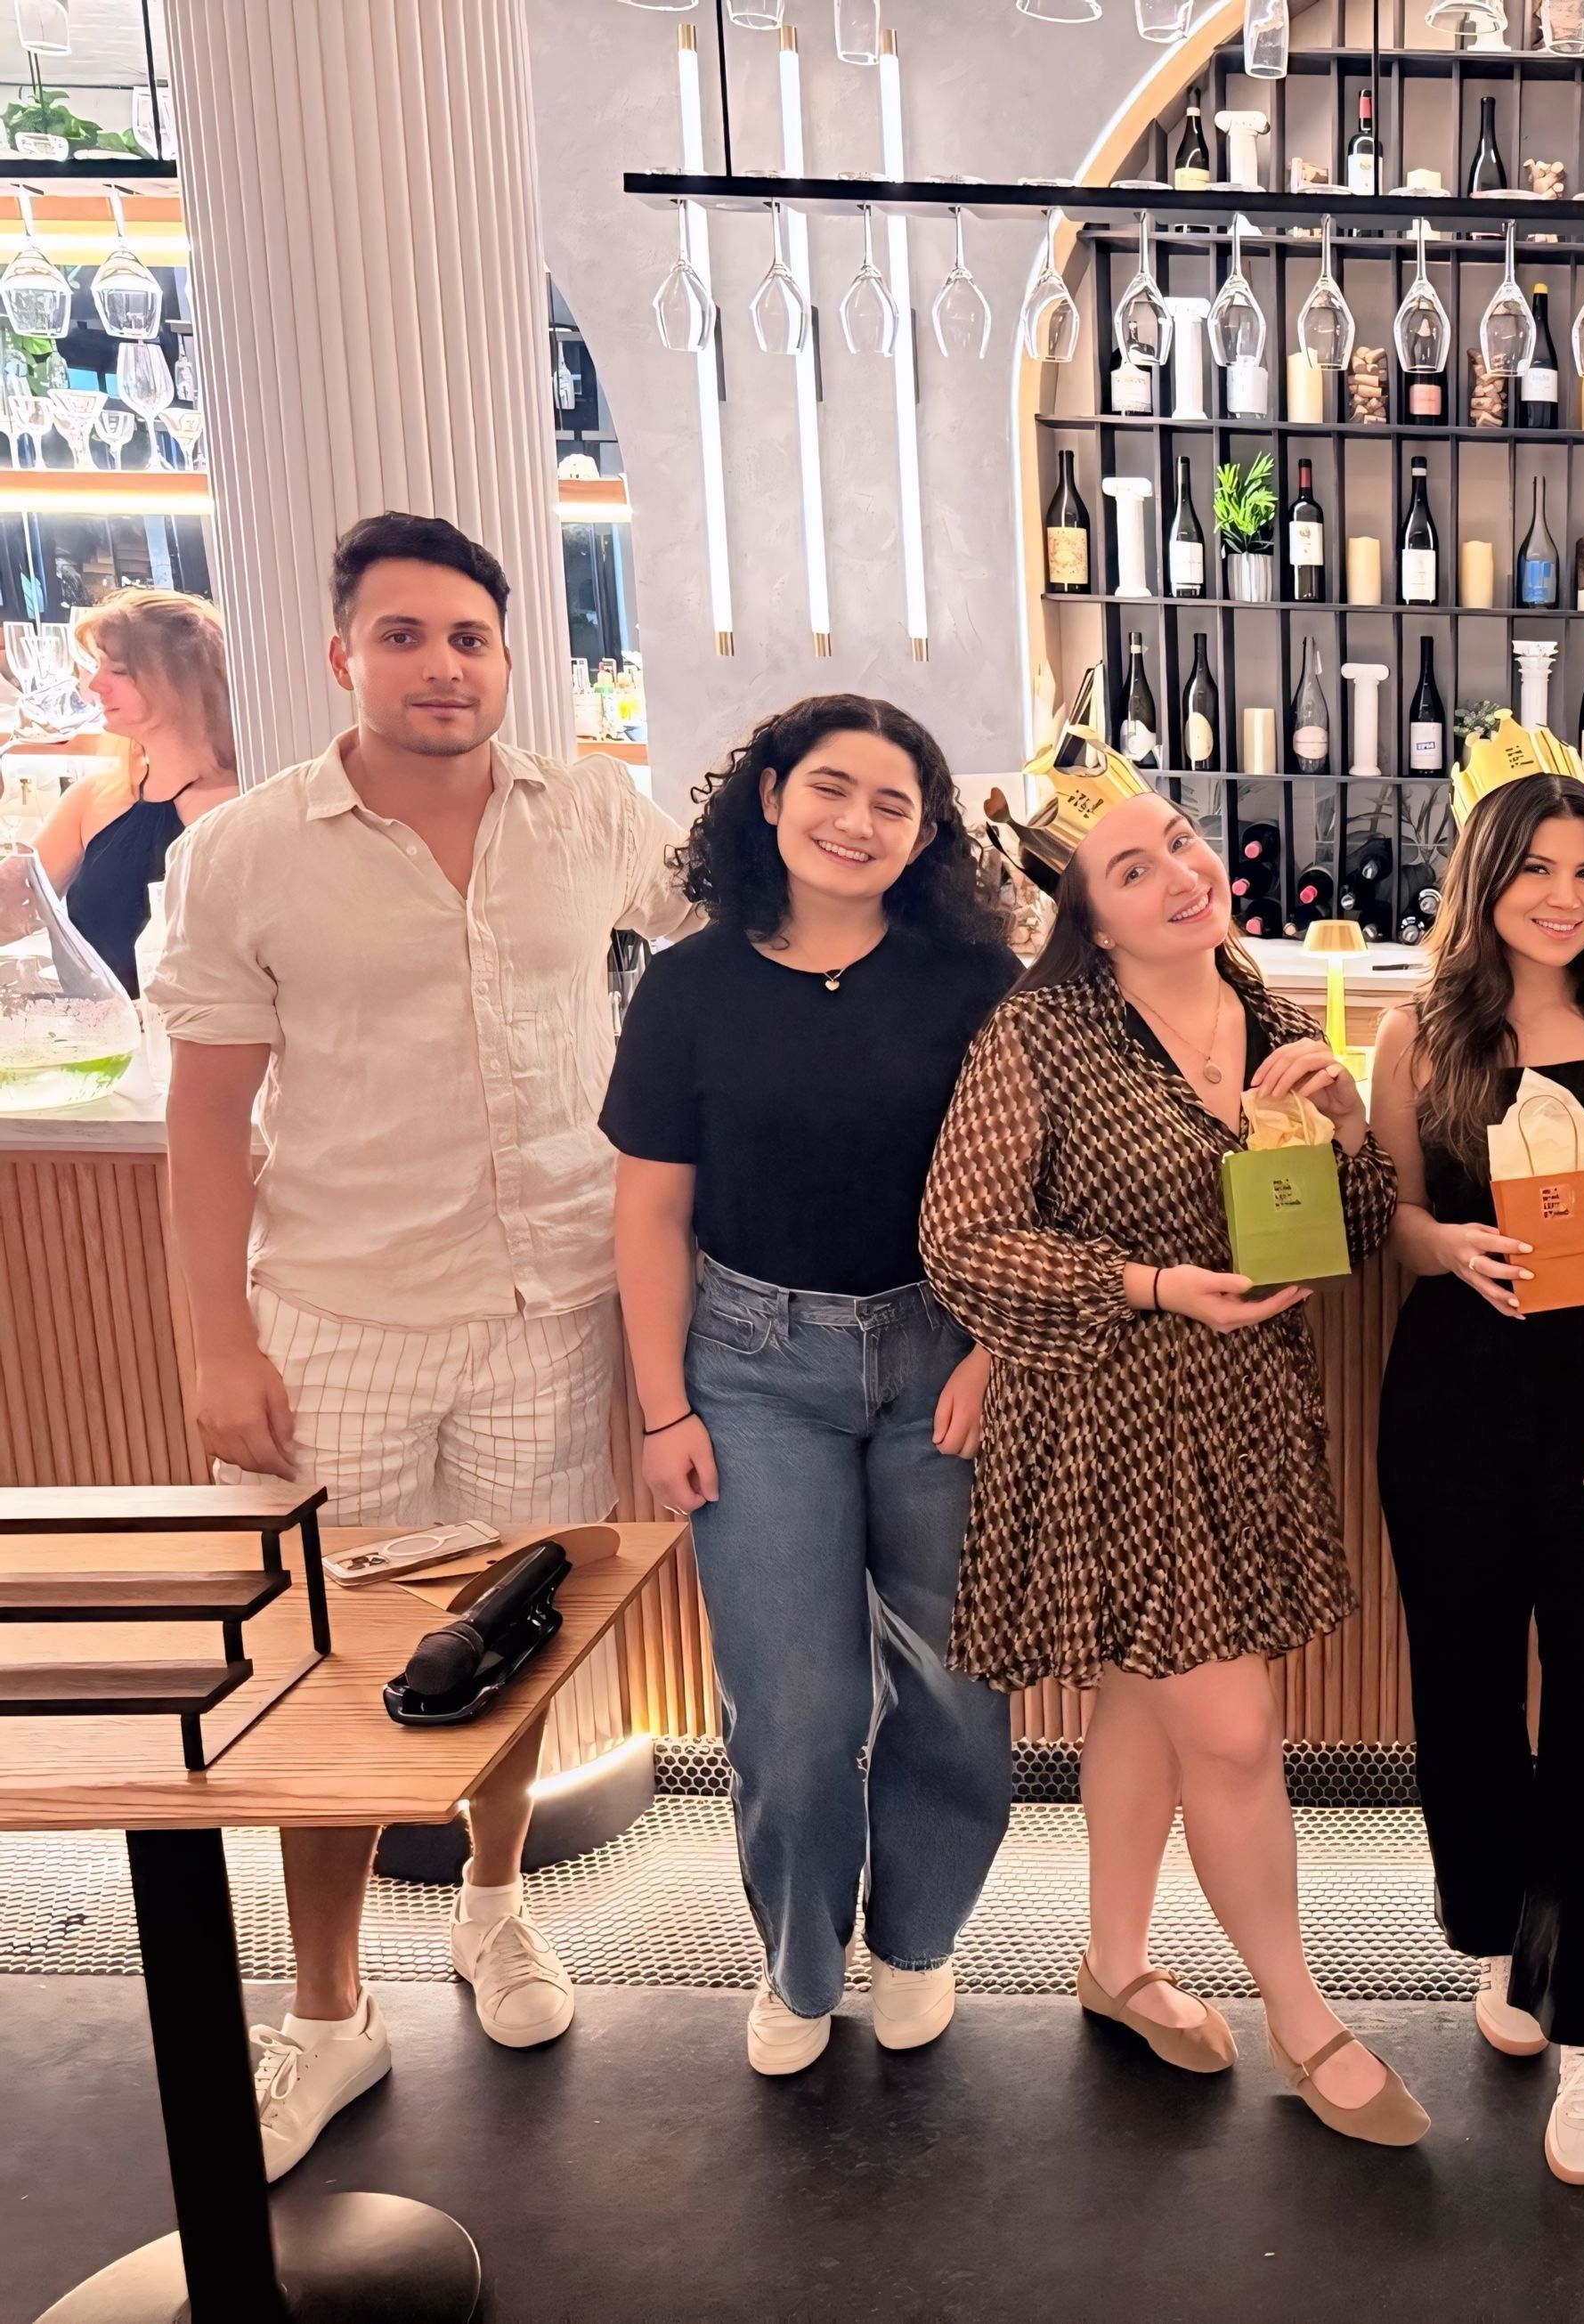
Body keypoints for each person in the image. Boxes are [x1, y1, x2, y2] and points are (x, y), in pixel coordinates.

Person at [149, 513, 696, 2177]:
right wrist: (213, 1343)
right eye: (403, 636)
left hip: (548, 1307)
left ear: (506, 652)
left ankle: (493, 1905)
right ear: (342, 658)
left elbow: (747, 920)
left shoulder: (593, 812)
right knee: (323, 1681)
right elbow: (200, 1121)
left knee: (513, 1637)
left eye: (468, 635)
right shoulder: (249, 849)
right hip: (343, 1318)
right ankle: (325, 2012)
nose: (441, 665)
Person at [917, 742, 1428, 2146]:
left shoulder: (1263, 1008)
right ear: (1087, 913)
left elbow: (1354, 1238)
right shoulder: (1037, 1037)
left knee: (1143, 1702)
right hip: (1108, 1415)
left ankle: (1115, 1961)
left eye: (1184, 843)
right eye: (1132, 867)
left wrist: (1335, 1126)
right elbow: (959, 1243)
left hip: (1246, 1411)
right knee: (1237, 1728)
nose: (1181, 874)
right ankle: (1302, 2013)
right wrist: (1144, 1284)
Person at [603, 694, 1023, 2077]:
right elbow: (651, 1214)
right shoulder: (689, 986)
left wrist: (992, 1345)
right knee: (793, 1707)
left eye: (893, 803)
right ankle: (797, 1961)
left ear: (925, 835)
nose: (857, 822)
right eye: (831, 790)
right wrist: (665, 1407)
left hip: (940, 1354)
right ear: (770, 797)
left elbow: (1034, 1184)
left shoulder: (974, 984)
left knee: (959, 1687)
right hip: (752, 1363)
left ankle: (916, 1940)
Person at [1369, 756, 1584, 2184]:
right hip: (1450, 1403)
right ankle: (1518, 1933)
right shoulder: (1420, 1032)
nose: (1566, 897)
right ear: (1485, 878)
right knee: (1461, 1703)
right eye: (1536, 869)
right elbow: (1391, 1211)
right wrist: (1442, 1245)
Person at [0, 588, 238, 990]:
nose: (95, 683)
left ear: (185, 680)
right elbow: (10, 915)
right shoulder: (91, 800)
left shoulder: (248, 803)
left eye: (119, 670)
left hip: (215, 1042)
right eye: (97, 666)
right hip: (105, 1042)